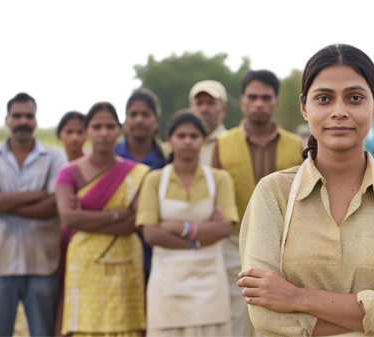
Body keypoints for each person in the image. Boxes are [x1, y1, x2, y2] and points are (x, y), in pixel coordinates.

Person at [237, 44, 374, 336]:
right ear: (305, 107)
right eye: (324, 99)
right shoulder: (273, 193)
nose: (339, 112)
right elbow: (265, 316)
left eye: (355, 98)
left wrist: (297, 298)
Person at [212, 70, 303, 337]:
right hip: (233, 243)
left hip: (286, 245)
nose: (259, 103)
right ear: (242, 101)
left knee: (277, 319)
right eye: (253, 97)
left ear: (276, 101)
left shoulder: (296, 145)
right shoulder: (220, 145)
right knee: (236, 316)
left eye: (266, 97)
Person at [136, 112, 239, 337]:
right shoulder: (154, 180)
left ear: (203, 140)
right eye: (181, 135)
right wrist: (200, 238)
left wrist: (182, 228)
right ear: (169, 139)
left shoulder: (220, 179)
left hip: (210, 285)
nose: (187, 141)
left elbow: (224, 229)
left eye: (194, 135)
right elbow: (151, 233)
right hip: (167, 284)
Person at [0, 92, 67, 337]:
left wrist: (3, 202)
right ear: (7, 119)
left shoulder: (55, 156)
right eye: (17, 115)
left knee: (42, 333)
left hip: (43, 265)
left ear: (35, 120)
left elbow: (54, 206)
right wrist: (35, 194)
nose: (23, 120)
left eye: (29, 115)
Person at [55, 102, 148, 336]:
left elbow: (134, 223)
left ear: (119, 130)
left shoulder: (137, 173)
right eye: (97, 126)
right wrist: (115, 215)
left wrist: (85, 218)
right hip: (83, 260)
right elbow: (68, 217)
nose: (104, 133)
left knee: (125, 324)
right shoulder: (69, 172)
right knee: (86, 326)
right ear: (87, 131)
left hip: (125, 259)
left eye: (110, 126)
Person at [115, 89, 168, 285]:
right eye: (133, 114)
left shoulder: (167, 159)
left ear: (156, 121)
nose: (139, 120)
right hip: (115, 244)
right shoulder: (111, 155)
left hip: (156, 247)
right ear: (125, 119)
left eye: (146, 114)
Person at [54, 111, 87, 336]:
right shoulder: (52, 164)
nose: (74, 137)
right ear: (60, 135)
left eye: (79, 131)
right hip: (52, 242)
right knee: (57, 299)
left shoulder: (92, 166)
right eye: (69, 132)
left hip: (83, 242)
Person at [189, 80, 228, 165]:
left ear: (224, 109)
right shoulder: (177, 145)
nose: (204, 108)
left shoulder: (231, 143)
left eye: (210, 103)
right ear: (190, 109)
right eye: (199, 103)